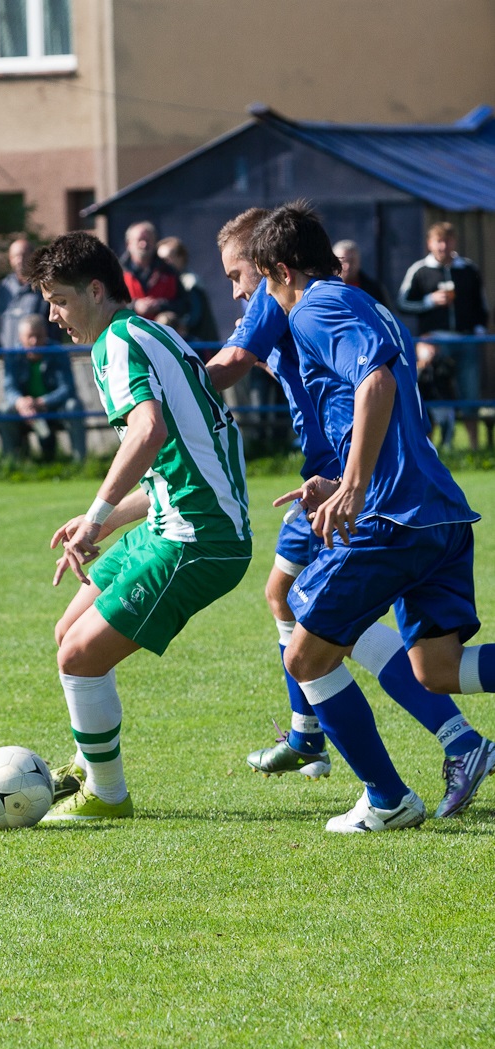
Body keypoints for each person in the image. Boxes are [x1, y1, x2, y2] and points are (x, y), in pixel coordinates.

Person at [207, 207, 492, 820]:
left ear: (280, 270)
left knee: (304, 654)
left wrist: (355, 486)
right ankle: (452, 747)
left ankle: (386, 799)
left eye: (253, 282)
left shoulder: (313, 306)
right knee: (439, 669)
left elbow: (376, 386)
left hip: (390, 516)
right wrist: (337, 478)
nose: (250, 299)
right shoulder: (357, 301)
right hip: (434, 511)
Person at [24, 231, 252, 822]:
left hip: (199, 540)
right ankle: (87, 766)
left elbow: (148, 433)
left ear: (96, 291)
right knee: (67, 631)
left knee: (79, 657)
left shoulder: (117, 344)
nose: (54, 317)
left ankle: (107, 794)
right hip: (175, 522)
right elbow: (174, 467)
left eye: (59, 300)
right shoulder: (143, 334)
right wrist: (100, 523)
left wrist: (99, 511)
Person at [397, 222, 489, 451]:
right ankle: (432, 447)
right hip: (435, 341)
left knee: (470, 394)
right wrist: (429, 302)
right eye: (439, 241)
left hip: (466, 340)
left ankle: (474, 448)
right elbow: (402, 302)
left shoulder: (468, 269)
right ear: (430, 243)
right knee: (434, 392)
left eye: (447, 240)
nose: (443, 246)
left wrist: (479, 328)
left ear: (454, 242)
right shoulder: (420, 270)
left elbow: (482, 304)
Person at [0, 313, 86, 462]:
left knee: (74, 406)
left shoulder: (57, 352)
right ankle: (11, 463)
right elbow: (9, 389)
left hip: (54, 407)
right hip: (26, 409)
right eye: (30, 337)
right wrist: (21, 402)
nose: (34, 341)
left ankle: (80, 463)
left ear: (45, 334)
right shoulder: (13, 356)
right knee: (5, 410)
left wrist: (41, 402)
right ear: (21, 338)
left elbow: (67, 388)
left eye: (38, 336)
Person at [0, 236, 56, 351]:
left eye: (23, 255)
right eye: (15, 256)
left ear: (33, 257)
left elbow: (54, 324)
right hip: (10, 358)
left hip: (40, 359)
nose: (19, 260)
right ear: (10, 259)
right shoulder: (3, 288)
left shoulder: (44, 286)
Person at [156, 235, 220, 343]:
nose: (163, 263)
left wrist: (171, 324)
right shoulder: (165, 281)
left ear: (180, 258)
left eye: (167, 259)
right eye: (160, 260)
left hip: (198, 346)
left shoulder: (190, 282)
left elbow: (193, 317)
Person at [120, 221, 187, 321]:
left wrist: (160, 305)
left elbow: (184, 305)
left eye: (148, 240)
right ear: (128, 244)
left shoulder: (169, 272)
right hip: (126, 332)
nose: (144, 244)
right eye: (140, 240)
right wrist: (135, 306)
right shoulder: (116, 272)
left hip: (160, 333)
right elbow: (108, 304)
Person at [415, 336, 458, 452]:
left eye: (433, 345)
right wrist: (420, 367)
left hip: (442, 404)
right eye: (426, 345)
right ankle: (427, 449)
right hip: (424, 405)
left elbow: (448, 380)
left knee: (448, 419)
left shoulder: (444, 363)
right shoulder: (413, 365)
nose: (430, 349)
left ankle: (447, 447)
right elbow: (414, 384)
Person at [332, 239, 392, 309]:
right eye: (343, 261)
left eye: (352, 261)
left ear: (358, 261)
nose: (347, 266)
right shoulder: (323, 289)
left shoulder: (374, 291)